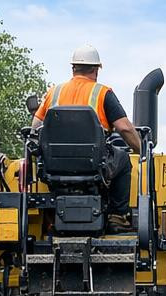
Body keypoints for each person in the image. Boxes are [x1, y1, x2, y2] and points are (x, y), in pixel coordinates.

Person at [31, 44, 142, 233]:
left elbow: (35, 128)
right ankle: (117, 217)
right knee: (122, 159)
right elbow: (124, 127)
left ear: (73, 68)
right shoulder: (103, 93)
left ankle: (51, 218)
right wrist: (141, 148)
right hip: (93, 165)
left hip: (55, 166)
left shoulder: (53, 93)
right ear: (96, 69)